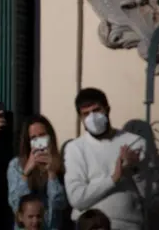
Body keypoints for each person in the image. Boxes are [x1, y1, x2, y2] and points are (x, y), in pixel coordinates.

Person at [63, 88, 148, 230]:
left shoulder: (135, 142)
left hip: (128, 225)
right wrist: (114, 178)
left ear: (107, 109)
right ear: (80, 118)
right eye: (86, 114)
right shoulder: (75, 148)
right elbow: (77, 199)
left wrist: (136, 170)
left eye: (97, 110)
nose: (93, 118)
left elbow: (152, 199)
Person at [7, 115, 68, 230]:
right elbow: (16, 205)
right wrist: (26, 172)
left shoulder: (61, 163)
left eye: (42, 136)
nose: (38, 142)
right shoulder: (16, 165)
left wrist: (52, 173)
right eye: (33, 138)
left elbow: (59, 203)